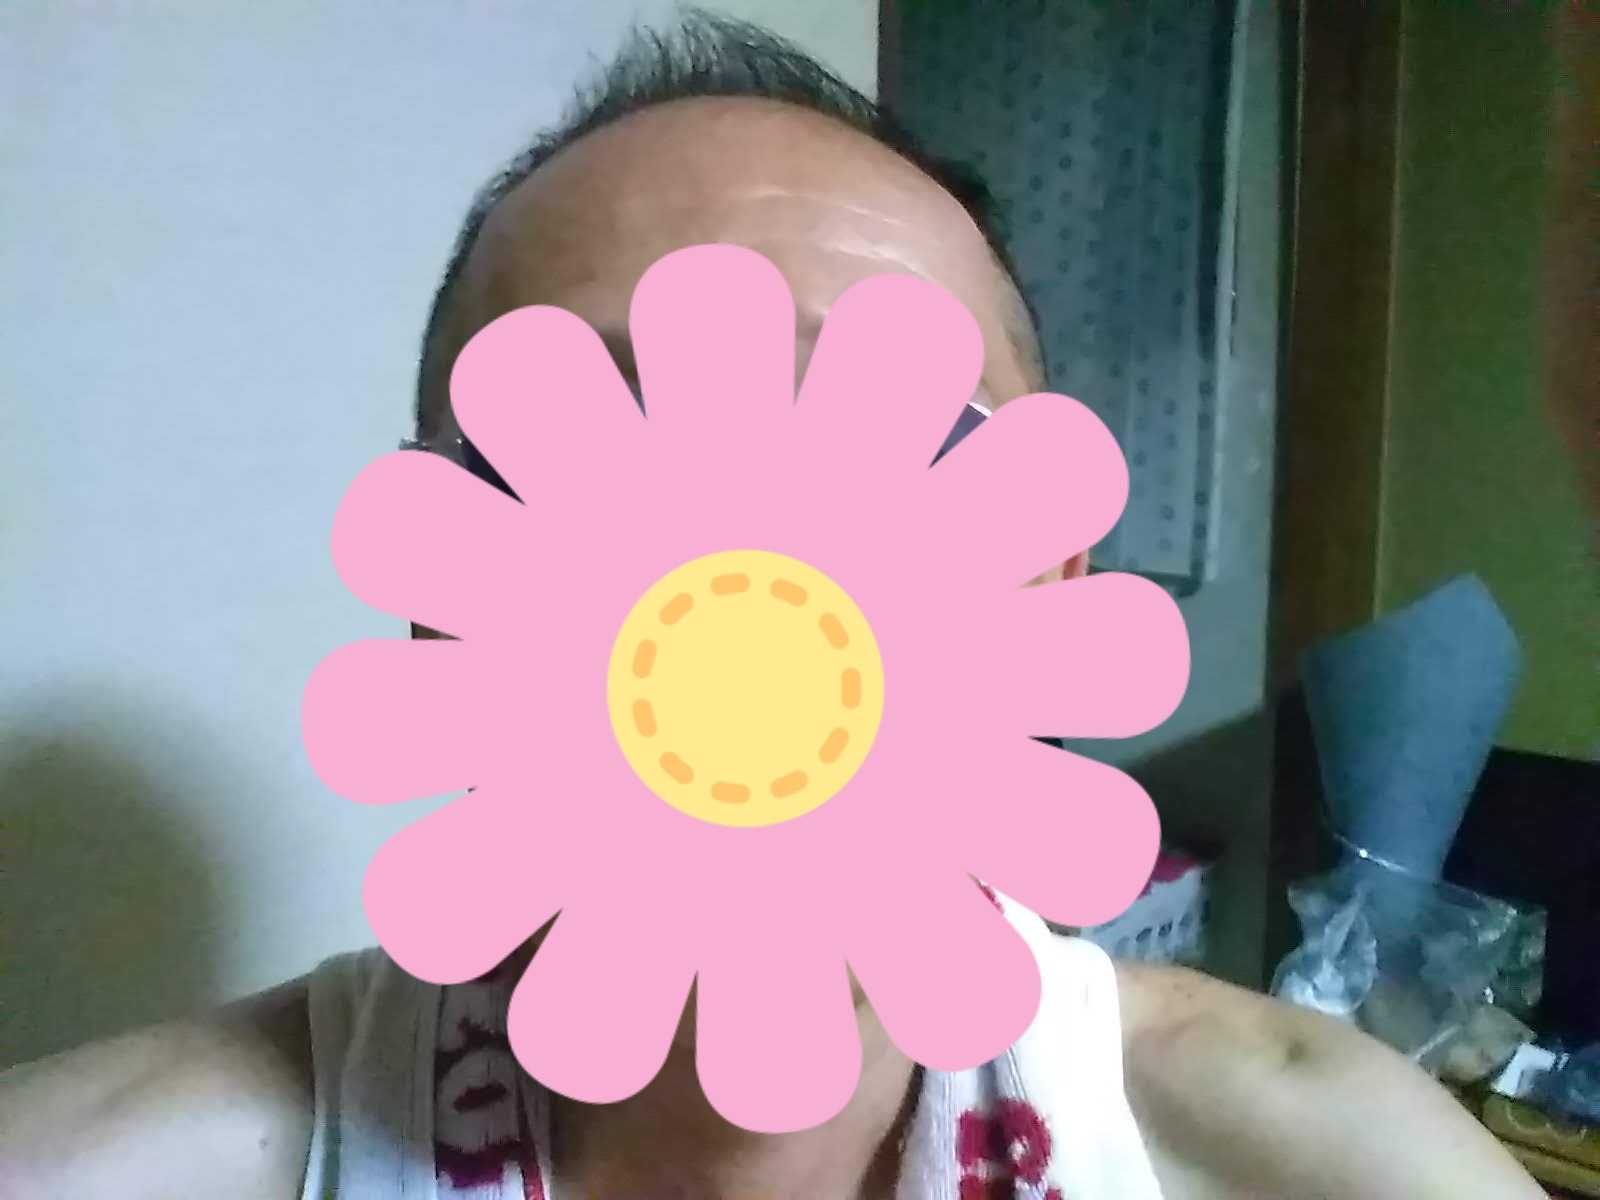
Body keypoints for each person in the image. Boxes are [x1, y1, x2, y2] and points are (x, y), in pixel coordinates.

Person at [0, 14, 1542, 1199]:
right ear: (443, 596)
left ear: (1050, 598)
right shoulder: (153, 1161)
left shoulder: (1304, 1162)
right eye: (605, 432)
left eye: (890, 435)